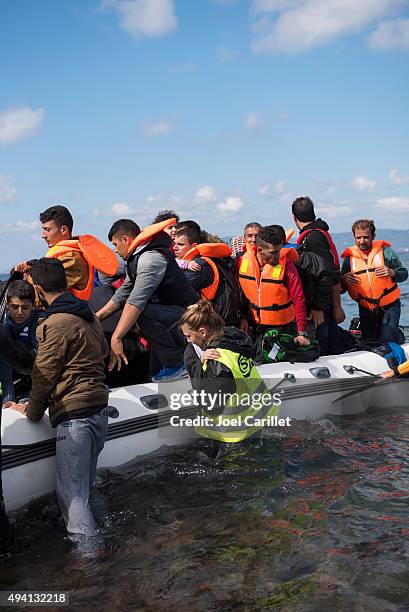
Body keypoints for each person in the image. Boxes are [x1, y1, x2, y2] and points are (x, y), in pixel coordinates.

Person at [7, 258, 109, 538]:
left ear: (38, 289)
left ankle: (88, 559)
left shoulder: (55, 323)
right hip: (100, 408)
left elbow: (43, 375)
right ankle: (101, 539)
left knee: (71, 495)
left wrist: (31, 412)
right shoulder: (88, 314)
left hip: (75, 416)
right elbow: (102, 354)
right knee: (87, 488)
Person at [96, 218, 198, 381]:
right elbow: (123, 294)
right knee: (153, 373)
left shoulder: (150, 259)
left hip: (190, 318)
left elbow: (136, 301)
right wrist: (96, 318)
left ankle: (178, 365)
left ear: (125, 240)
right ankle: (170, 365)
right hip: (173, 317)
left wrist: (116, 337)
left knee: (141, 313)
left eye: (115, 244)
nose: (115, 250)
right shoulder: (137, 259)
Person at [180, 301, 278, 444]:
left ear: (202, 332)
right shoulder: (235, 343)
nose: (188, 341)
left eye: (189, 336)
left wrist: (198, 368)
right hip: (261, 418)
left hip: (235, 434)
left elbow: (211, 404)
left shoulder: (215, 360)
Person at [15, 205, 118, 300]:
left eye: (47, 230)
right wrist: (30, 272)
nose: (43, 235)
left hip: (70, 315)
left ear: (63, 230)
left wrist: (26, 280)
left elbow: (47, 294)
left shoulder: (71, 258)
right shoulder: (63, 253)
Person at [238, 225, 309, 355]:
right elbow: (241, 294)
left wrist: (302, 332)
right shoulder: (242, 262)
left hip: (283, 328)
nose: (278, 256)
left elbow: (298, 299)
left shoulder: (287, 266)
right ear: (259, 250)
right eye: (273, 252)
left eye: (279, 250)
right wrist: (242, 317)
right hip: (255, 326)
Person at [292, 196, 344, 355]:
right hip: (325, 300)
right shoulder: (319, 233)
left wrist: (318, 307)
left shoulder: (313, 238)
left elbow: (326, 273)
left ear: (295, 218)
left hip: (321, 304)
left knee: (323, 347)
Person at [341, 219, 408, 343]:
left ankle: (397, 335)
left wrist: (392, 272)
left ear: (373, 236)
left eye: (366, 237)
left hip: (389, 306)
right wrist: (343, 280)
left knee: (386, 339)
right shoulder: (349, 259)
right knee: (370, 342)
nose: (362, 241)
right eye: (358, 237)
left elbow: (404, 274)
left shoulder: (386, 253)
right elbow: (341, 289)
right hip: (366, 308)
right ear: (354, 237)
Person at [173, 226, 240, 325]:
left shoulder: (198, 265)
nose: (175, 248)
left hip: (211, 322)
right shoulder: (209, 259)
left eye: (180, 244)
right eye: (174, 243)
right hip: (220, 319)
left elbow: (177, 292)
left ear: (194, 246)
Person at [0, 281, 41, 407]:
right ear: (7, 305)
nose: (19, 312)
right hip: (12, 383)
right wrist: (8, 399)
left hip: (34, 383)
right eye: (14, 307)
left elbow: (42, 364)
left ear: (33, 306)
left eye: (25, 307)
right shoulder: (4, 325)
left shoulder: (40, 322)